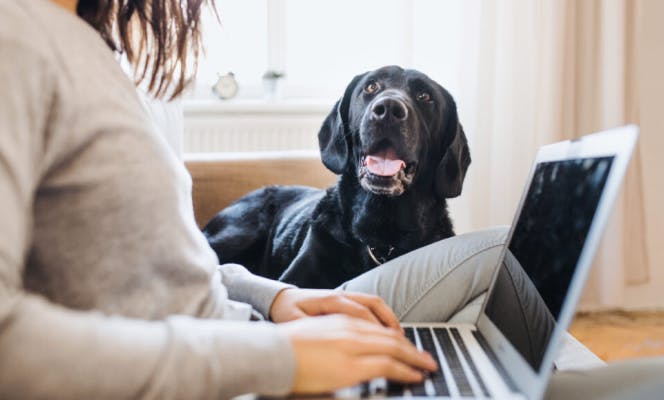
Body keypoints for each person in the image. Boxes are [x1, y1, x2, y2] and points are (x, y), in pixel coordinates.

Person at [0, 1, 662, 399]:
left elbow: (165, 267)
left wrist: (275, 297)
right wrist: (282, 357)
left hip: (254, 335)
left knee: (501, 311)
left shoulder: (91, 52)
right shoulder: (19, 40)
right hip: (240, 369)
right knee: (518, 288)